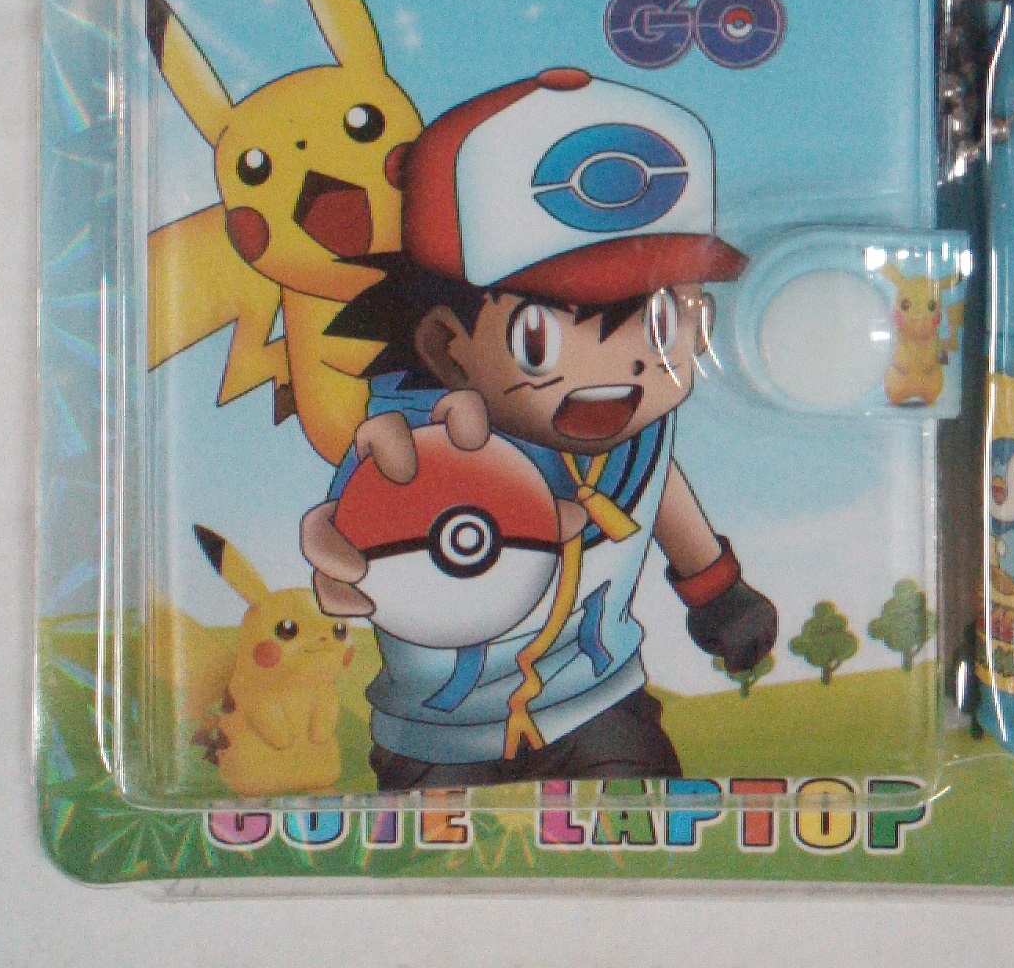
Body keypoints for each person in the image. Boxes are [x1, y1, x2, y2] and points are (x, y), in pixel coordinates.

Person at [301, 67, 778, 789]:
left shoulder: (641, 430)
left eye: (658, 323)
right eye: (540, 339)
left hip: (600, 705)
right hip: (441, 737)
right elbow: (362, 527)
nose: (618, 370)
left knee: (641, 829)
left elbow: (660, 488)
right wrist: (352, 541)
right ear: (445, 346)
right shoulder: (421, 443)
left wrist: (715, 587)